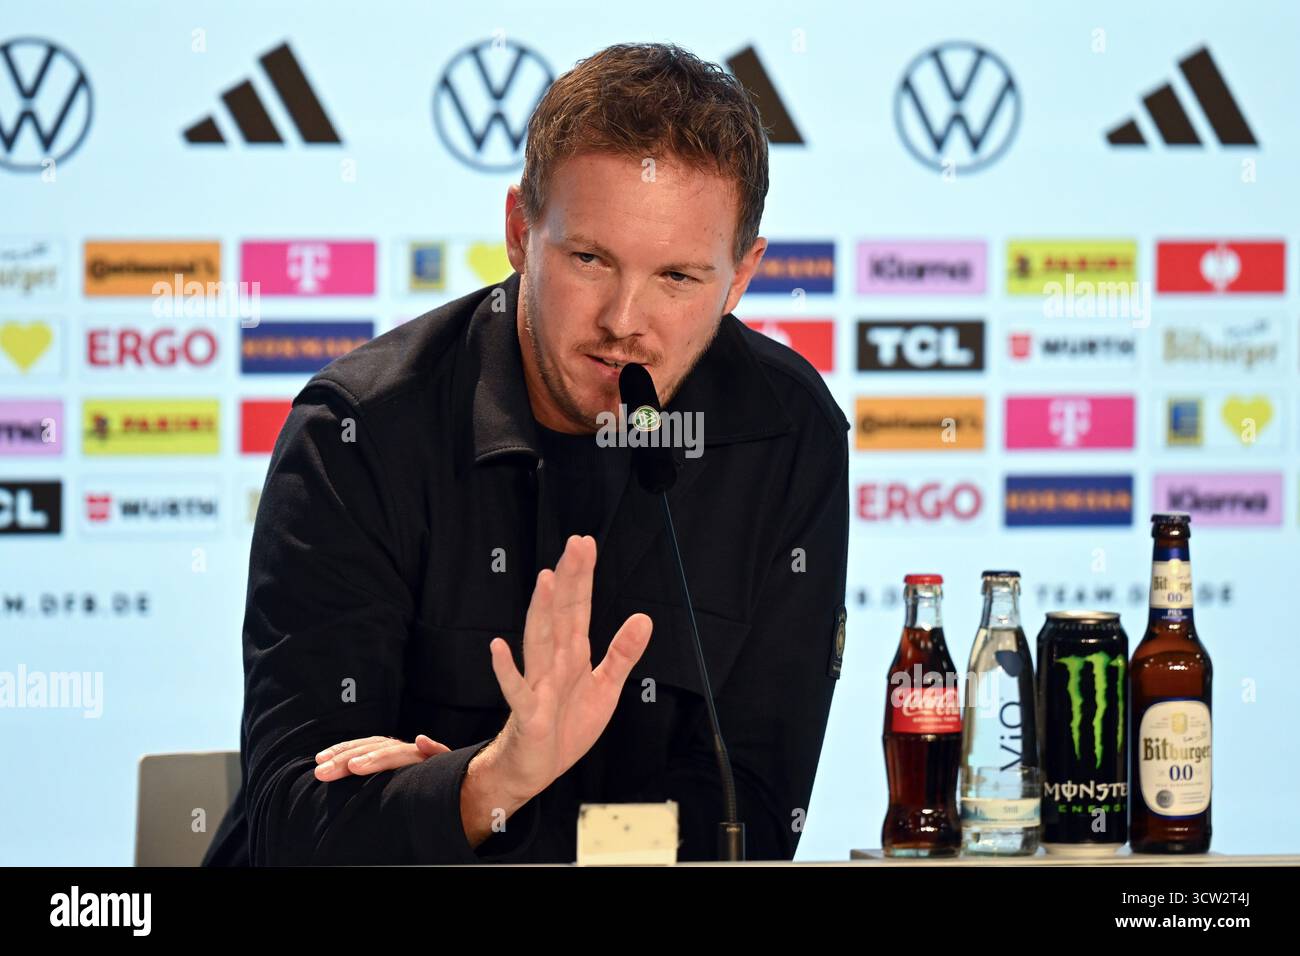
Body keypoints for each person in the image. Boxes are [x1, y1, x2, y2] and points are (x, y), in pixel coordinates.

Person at [202, 41, 849, 866]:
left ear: (741, 275)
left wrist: (494, 813)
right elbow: (298, 825)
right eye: (590, 259)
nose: (625, 318)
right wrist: (497, 779)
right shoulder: (359, 434)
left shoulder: (787, 434)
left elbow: (744, 820)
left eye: (679, 278)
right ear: (518, 230)